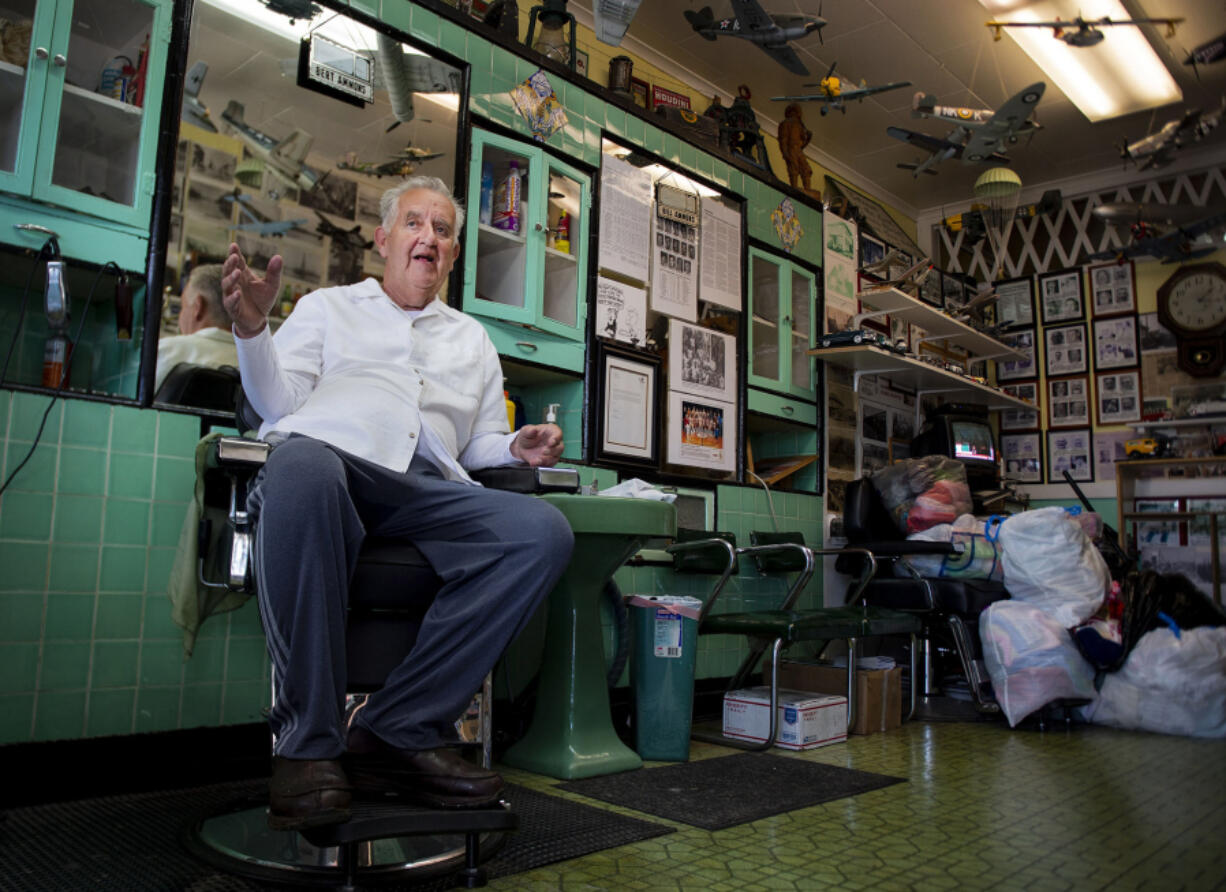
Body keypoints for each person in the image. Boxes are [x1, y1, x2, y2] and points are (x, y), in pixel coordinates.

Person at [220, 175, 575, 831]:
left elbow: (477, 445)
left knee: (543, 532)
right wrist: (251, 330)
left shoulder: (471, 338)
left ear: (453, 253)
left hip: (426, 490)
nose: (428, 239)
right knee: (298, 461)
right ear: (384, 238)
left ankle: (401, 727)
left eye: (442, 230)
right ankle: (307, 746)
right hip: (333, 464)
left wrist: (516, 447)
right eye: (414, 223)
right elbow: (278, 403)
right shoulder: (329, 308)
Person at [154, 264, 238, 393]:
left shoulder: (164, 352)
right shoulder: (258, 367)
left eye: (183, 307)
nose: (180, 316)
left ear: (198, 307)